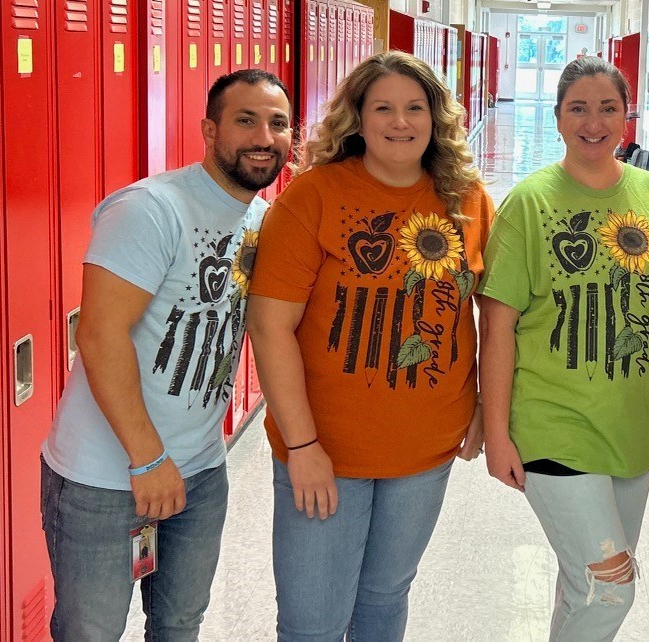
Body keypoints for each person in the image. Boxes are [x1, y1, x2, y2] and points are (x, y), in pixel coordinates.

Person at [247, 50, 492, 641]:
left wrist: (484, 407)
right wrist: (302, 444)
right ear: (357, 117)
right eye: (383, 107)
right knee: (313, 622)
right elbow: (270, 325)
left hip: (426, 447)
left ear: (436, 119)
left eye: (415, 107)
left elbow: (486, 314)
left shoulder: (467, 200)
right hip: (326, 451)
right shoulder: (313, 198)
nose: (400, 121)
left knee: (385, 602)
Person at [40, 68, 290, 639]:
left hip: (201, 470)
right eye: (245, 120)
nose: (263, 136)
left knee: (179, 623)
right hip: (106, 475)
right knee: (91, 631)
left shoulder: (259, 219)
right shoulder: (151, 210)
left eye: (277, 123)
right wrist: (147, 458)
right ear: (209, 130)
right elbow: (100, 336)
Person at [479, 56, 649, 641]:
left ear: (628, 116)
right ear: (557, 117)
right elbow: (498, 326)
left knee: (585, 586)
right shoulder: (530, 202)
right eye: (578, 108)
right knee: (612, 587)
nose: (593, 122)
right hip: (553, 424)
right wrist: (497, 432)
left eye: (607, 108)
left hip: (632, 426)